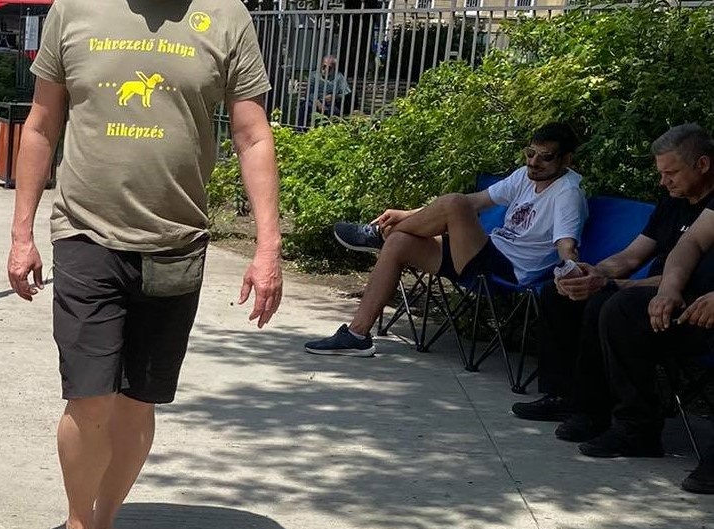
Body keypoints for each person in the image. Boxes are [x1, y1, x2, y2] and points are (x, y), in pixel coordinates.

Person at [6, 0, 283, 529]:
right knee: (88, 398)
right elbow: (41, 124)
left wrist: (267, 247)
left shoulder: (224, 16)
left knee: (136, 403)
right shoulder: (75, 8)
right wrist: (22, 232)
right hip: (87, 234)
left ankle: (104, 527)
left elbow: (252, 134)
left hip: (175, 244)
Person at [305, 123, 587, 356]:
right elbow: (476, 201)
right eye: (530, 153)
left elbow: (566, 244)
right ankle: (357, 336)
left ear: (566, 160)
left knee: (454, 203)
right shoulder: (524, 177)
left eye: (545, 157)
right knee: (399, 242)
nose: (534, 162)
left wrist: (573, 272)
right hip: (485, 253)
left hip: (509, 270)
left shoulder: (567, 194)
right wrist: (408, 214)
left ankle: (379, 234)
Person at [514, 123, 714, 424]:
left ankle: (602, 414)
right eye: (660, 173)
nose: (663, 182)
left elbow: (694, 281)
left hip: (684, 302)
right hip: (657, 293)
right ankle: (563, 396)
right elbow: (632, 255)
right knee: (559, 293)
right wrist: (594, 271)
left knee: (608, 304)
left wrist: (613, 284)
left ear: (702, 165)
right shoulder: (673, 203)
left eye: (671, 173)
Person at [570, 208, 714, 492]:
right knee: (623, 309)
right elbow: (692, 241)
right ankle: (636, 428)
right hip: (698, 304)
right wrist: (668, 289)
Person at [300, 53, 351, 126]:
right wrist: (318, 103)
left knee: (335, 112)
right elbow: (308, 93)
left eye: (329, 68)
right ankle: (300, 129)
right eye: (324, 66)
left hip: (330, 104)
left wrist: (334, 96)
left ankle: (331, 130)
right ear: (321, 65)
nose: (326, 70)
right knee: (305, 107)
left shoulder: (339, 77)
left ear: (334, 68)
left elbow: (346, 92)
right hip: (314, 101)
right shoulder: (314, 75)